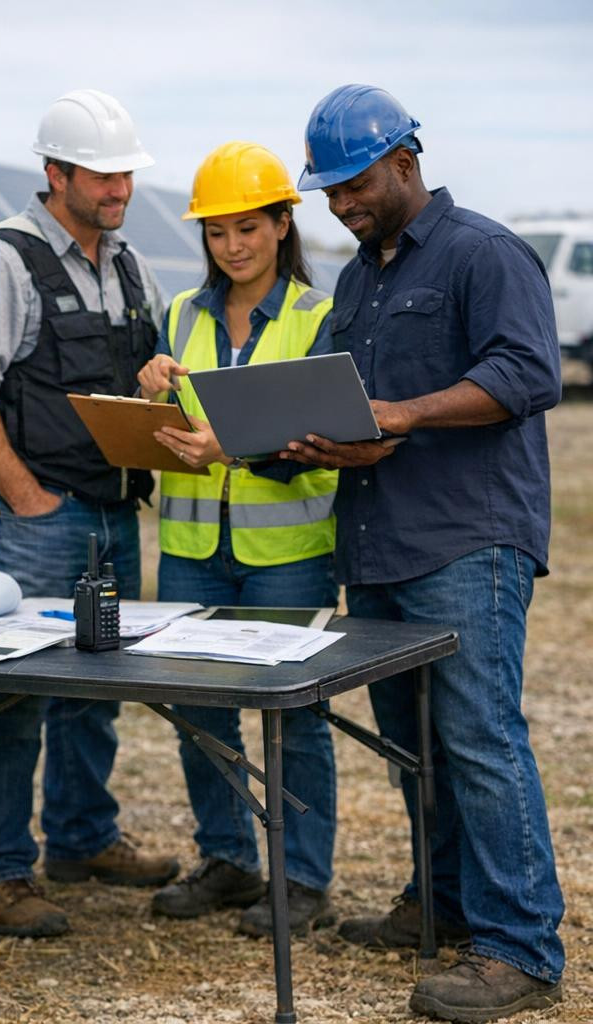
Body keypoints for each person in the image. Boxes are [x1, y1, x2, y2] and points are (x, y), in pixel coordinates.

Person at [282, 85, 563, 1023]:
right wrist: (304, 434)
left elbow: (527, 372)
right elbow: (343, 392)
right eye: (327, 193)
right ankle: (437, 906)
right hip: (380, 541)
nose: (339, 206)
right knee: (415, 749)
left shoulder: (484, 253)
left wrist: (402, 415)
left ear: (405, 162)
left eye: (352, 185)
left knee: (479, 739)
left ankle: (520, 947)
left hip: (465, 539)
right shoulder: (360, 277)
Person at [0, 88, 179, 939]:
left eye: (125, 175)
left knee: (95, 687)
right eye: (102, 175)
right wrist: (26, 499)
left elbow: (129, 381)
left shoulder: (129, 264)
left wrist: (152, 382)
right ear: (55, 172)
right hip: (34, 522)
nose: (118, 189)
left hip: (111, 514)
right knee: (9, 693)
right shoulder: (1, 260)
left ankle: (82, 839)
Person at [135, 141, 341, 938]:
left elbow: (323, 434)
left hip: (287, 554)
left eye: (249, 228)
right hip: (191, 546)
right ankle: (228, 859)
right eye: (218, 232)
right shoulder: (181, 315)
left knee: (294, 718)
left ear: (284, 225)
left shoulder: (318, 318)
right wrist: (145, 392)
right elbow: (163, 428)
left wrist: (236, 447)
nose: (233, 246)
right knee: (199, 709)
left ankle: (304, 881)